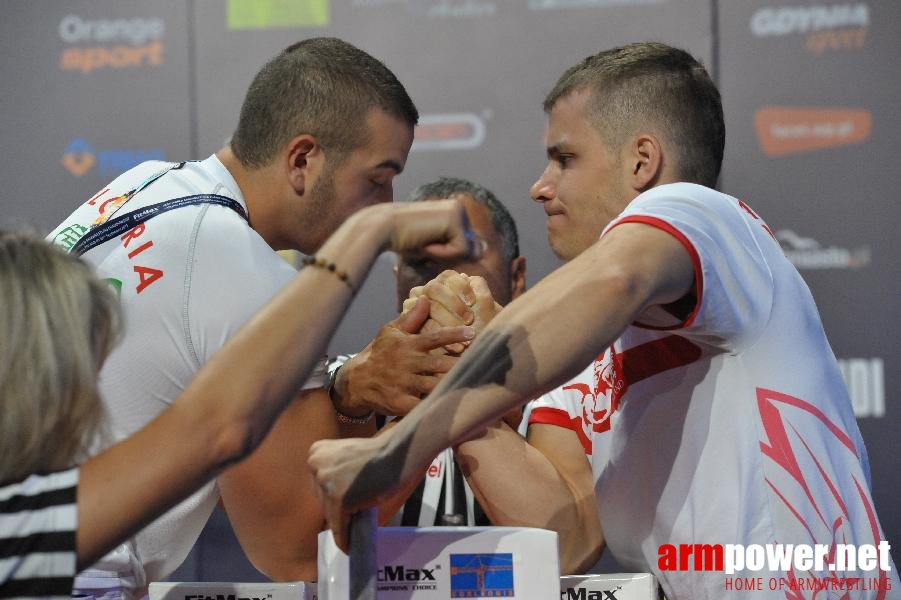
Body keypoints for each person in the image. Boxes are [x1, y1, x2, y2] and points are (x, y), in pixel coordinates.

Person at [308, 42, 900, 599]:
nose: (540, 188)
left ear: (643, 162)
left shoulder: (701, 213)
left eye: (564, 158)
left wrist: (407, 444)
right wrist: (462, 381)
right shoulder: (589, 352)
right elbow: (569, 538)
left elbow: (617, 275)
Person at [47, 37, 455, 597]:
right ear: (303, 160)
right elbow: (296, 548)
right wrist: (449, 415)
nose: (387, 207)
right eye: (378, 178)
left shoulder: (145, 184)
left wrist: (340, 387)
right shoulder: (242, 267)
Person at [0, 200, 478, 598]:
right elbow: (219, 427)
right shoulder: (38, 523)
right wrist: (369, 233)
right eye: (89, 361)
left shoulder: (37, 515)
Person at [326, 177, 526, 526]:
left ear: (517, 276)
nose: (440, 282)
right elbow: (313, 529)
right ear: (397, 280)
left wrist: (499, 384)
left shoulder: (563, 382)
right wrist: (346, 392)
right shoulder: (348, 379)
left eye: (465, 254)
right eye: (419, 262)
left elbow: (568, 537)